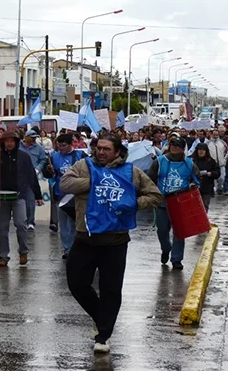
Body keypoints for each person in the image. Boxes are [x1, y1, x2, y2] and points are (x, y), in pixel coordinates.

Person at [60, 134, 162, 353]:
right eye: (99, 148)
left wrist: (132, 203)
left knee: (111, 289)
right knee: (76, 283)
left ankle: (103, 336)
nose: (101, 152)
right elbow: (65, 184)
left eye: (107, 149)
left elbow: (154, 195)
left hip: (115, 241)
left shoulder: (131, 172)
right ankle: (101, 317)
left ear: (117, 152)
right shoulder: (83, 166)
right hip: (85, 238)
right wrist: (95, 182)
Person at [0, 131, 42, 267]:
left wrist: (38, 195)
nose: (9, 143)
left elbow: (31, 177)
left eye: (12, 141)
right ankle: (3, 257)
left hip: (19, 196)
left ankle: (23, 251)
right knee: (3, 227)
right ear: (3, 142)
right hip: (1, 197)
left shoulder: (24, 157)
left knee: (21, 224)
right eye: (7, 141)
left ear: (16, 142)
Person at [147, 136, 200, 270]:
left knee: (179, 232)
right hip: (162, 203)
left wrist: (193, 185)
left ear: (183, 149)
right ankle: (166, 249)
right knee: (162, 231)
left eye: (177, 145)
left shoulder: (190, 163)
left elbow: (197, 179)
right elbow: (149, 180)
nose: (174, 148)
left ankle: (177, 259)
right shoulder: (159, 162)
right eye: (172, 145)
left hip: (180, 204)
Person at [45, 134, 86, 258]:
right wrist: (49, 171)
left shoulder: (81, 156)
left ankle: (74, 247)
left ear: (71, 144)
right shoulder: (53, 156)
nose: (61, 148)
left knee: (74, 223)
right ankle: (67, 248)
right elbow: (47, 174)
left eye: (63, 146)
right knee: (63, 224)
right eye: (59, 145)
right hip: (60, 194)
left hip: (75, 194)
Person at [20, 129, 47, 231]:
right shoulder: (18, 146)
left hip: (32, 176)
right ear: (26, 137)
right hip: (19, 176)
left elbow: (43, 159)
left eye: (35, 137)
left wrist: (38, 168)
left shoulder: (39, 148)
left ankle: (30, 222)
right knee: (19, 200)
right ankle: (21, 220)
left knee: (31, 199)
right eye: (32, 137)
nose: (34, 139)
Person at [191, 143, 220, 213]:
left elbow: (218, 173)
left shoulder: (211, 161)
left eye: (203, 150)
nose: (201, 152)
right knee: (194, 207)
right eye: (200, 150)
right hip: (193, 187)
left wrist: (211, 174)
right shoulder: (191, 160)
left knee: (204, 206)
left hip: (206, 187)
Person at [208, 128, 228, 194]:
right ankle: (212, 190)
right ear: (212, 134)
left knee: (221, 178)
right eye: (214, 134)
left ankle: (220, 188)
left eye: (216, 134)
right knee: (212, 179)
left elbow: (227, 151)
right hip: (212, 165)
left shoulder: (222, 143)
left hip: (221, 164)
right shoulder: (208, 143)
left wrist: (224, 160)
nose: (215, 136)